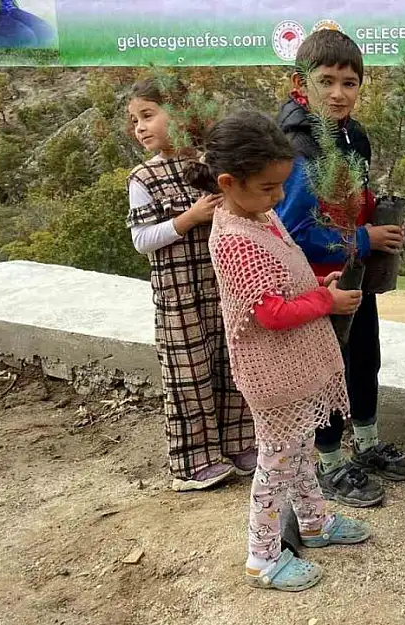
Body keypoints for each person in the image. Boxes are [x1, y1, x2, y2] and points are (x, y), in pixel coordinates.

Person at [191, 110, 371, 592]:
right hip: (272, 373)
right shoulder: (233, 237)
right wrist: (325, 300)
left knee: (300, 451)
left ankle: (313, 523)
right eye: (269, 188)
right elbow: (269, 311)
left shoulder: (260, 216)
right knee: (275, 463)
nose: (277, 198)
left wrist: (315, 281)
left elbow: (283, 279)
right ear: (228, 182)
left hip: (294, 365)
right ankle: (262, 557)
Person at [275, 28, 405, 510]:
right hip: (318, 280)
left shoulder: (354, 136)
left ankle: (368, 440)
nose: (338, 93)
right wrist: (363, 238)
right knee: (329, 368)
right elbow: (291, 230)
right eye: (326, 80)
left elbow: (353, 197)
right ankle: (331, 461)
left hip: (353, 271)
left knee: (364, 357)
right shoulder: (298, 147)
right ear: (301, 83)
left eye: (349, 82)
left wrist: (378, 217)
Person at [125, 77, 255, 492]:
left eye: (148, 115)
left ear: (181, 114)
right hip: (178, 295)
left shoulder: (209, 165)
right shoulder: (143, 178)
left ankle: (238, 444)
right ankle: (193, 461)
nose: (140, 128)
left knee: (232, 367)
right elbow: (142, 240)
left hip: (222, 287)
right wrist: (189, 219)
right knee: (188, 376)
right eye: (134, 120)